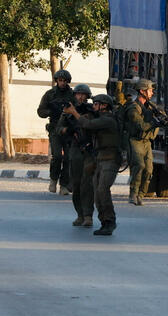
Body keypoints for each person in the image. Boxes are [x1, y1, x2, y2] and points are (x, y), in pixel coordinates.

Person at [64, 94, 118, 236]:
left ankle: (110, 221)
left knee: (102, 189)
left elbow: (88, 125)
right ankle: (104, 222)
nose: (93, 106)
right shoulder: (99, 118)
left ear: (104, 105)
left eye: (96, 104)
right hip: (100, 158)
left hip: (111, 159)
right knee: (97, 192)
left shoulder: (108, 120)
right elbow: (85, 127)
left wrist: (74, 112)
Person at [57, 83, 95, 227]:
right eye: (78, 94)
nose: (80, 97)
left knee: (88, 184)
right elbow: (58, 129)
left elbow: (92, 125)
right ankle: (80, 214)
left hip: (89, 150)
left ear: (87, 96)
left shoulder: (91, 110)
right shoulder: (67, 112)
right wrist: (67, 130)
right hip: (75, 149)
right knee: (77, 184)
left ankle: (88, 215)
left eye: (83, 94)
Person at [36, 69, 74, 194]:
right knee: (57, 156)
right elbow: (40, 111)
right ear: (57, 81)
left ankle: (64, 184)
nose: (62, 83)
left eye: (64, 81)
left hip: (68, 129)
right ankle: (53, 179)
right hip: (55, 128)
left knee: (69, 158)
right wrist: (51, 111)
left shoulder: (72, 94)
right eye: (60, 80)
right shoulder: (50, 94)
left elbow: (79, 109)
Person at [125, 79, 161, 205]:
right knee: (139, 166)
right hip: (135, 141)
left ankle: (141, 195)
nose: (152, 92)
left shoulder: (150, 106)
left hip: (146, 142)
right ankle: (133, 194)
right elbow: (141, 125)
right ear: (142, 91)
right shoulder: (133, 108)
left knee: (149, 170)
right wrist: (155, 122)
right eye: (150, 90)